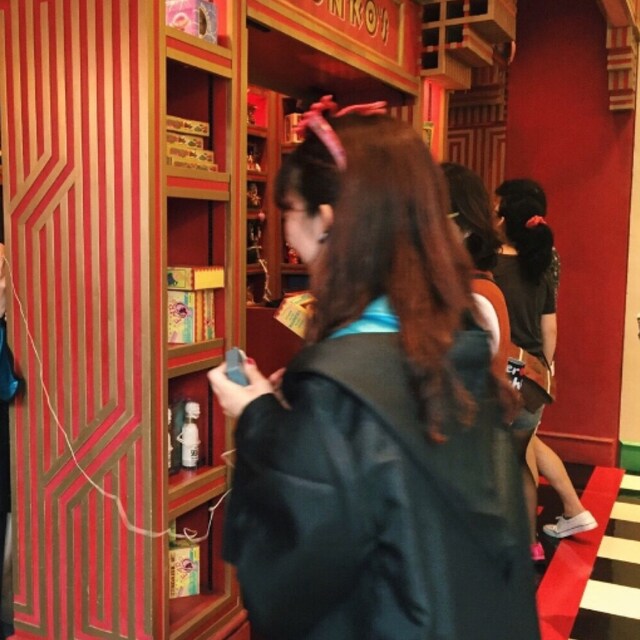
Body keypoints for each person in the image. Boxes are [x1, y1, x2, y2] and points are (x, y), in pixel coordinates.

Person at [208, 98, 539, 639]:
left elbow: (293, 579)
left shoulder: (338, 387)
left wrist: (258, 418)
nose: (284, 230)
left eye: (288, 210)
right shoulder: (457, 342)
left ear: (325, 221)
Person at [494, 180, 597, 543]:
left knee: (510, 452)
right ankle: (558, 521)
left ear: (504, 218)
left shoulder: (489, 263)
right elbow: (549, 326)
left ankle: (528, 536)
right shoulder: (542, 263)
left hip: (504, 367)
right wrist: (547, 369)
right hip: (532, 370)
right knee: (525, 448)